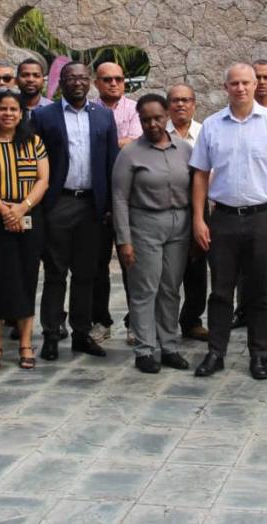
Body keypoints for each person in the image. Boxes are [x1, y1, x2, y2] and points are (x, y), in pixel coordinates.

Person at [190, 63, 267, 380]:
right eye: (234, 83)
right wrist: (199, 219)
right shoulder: (212, 126)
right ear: (225, 87)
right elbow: (199, 176)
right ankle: (216, 353)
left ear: (257, 86)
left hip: (263, 218)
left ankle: (258, 355)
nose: (240, 88)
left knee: (262, 291)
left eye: (246, 83)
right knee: (220, 290)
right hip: (223, 218)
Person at [32, 63, 119, 360]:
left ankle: (82, 334)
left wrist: (109, 207)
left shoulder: (104, 116)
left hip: (91, 206)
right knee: (56, 273)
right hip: (58, 203)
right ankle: (51, 334)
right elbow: (34, 164)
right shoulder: (44, 116)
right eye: (71, 78)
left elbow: (111, 163)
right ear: (61, 82)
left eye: (83, 78)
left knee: (86, 273)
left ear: (90, 82)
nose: (78, 83)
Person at [112, 94, 193, 373]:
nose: (152, 124)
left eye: (157, 117)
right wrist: (124, 240)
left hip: (179, 225)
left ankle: (169, 346)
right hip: (144, 225)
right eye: (146, 119)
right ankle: (145, 349)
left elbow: (195, 190)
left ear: (167, 115)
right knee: (145, 289)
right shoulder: (130, 153)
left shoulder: (184, 150)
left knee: (170, 289)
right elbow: (119, 198)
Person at [0, 89, 50, 369]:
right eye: (2, 109)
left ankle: (26, 344)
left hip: (28, 218)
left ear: (21, 113)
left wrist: (21, 208)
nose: (8, 114)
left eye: (13, 109)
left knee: (26, 278)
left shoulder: (35, 143)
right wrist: (6, 210)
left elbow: (43, 181)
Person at [93, 60, 140, 341]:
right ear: (96, 83)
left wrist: (104, 142)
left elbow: (135, 142)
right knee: (96, 264)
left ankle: (135, 320)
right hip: (96, 198)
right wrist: (120, 141)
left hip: (129, 197)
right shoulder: (88, 110)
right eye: (107, 79)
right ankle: (100, 320)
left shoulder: (134, 109)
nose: (113, 83)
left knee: (131, 262)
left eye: (119, 79)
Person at [165, 84, 207, 341]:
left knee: (197, 267)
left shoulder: (205, 132)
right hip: (167, 207)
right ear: (168, 105)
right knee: (168, 269)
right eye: (176, 101)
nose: (181, 105)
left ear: (194, 104)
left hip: (199, 206)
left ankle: (192, 320)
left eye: (186, 100)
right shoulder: (159, 132)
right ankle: (165, 321)